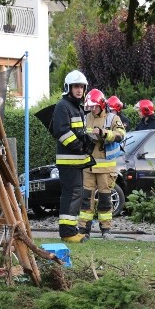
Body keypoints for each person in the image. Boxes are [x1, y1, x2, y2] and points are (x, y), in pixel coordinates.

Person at [52, 70, 94, 243]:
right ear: (68, 88)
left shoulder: (77, 107)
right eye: (76, 86)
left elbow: (78, 131)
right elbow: (61, 131)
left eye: (81, 87)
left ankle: (71, 230)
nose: (79, 90)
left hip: (76, 161)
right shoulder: (63, 106)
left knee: (76, 195)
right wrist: (79, 145)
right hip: (68, 161)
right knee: (71, 195)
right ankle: (68, 233)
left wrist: (87, 140)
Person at [79, 89, 127, 238]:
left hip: (106, 167)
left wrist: (104, 134)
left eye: (95, 106)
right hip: (88, 166)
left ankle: (106, 230)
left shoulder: (112, 118)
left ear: (101, 104)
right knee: (86, 198)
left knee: (105, 199)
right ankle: (83, 230)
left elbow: (121, 135)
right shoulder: (86, 117)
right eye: (90, 107)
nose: (92, 109)